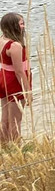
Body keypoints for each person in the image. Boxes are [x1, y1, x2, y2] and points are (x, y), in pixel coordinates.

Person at [0, 12, 32, 145]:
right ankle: (16, 148)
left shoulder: (2, 39)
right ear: (13, 26)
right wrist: (27, 91)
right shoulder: (15, 46)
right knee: (16, 120)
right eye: (21, 24)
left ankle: (3, 145)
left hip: (3, 78)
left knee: (5, 118)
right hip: (14, 82)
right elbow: (19, 72)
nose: (23, 26)